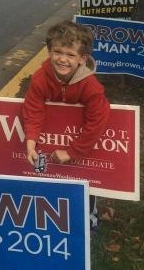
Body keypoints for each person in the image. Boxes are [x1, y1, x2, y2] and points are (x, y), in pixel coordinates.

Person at [22, 20, 111, 228]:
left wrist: (73, 151)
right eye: (57, 52)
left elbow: (97, 120)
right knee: (49, 181)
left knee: (85, 181)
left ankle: (89, 217)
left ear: (82, 59)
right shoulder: (40, 78)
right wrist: (31, 141)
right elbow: (33, 110)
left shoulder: (91, 86)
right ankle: (50, 216)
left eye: (71, 55)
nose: (63, 59)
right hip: (51, 142)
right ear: (49, 52)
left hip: (80, 146)